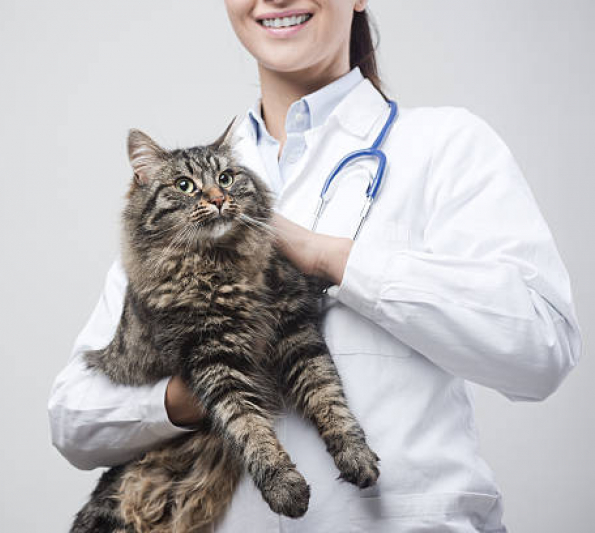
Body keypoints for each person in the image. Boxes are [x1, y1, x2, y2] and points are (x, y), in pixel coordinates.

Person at [48, 1, 582, 531]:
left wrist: (325, 256)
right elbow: (73, 417)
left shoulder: (446, 145)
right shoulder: (180, 207)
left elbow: (542, 347)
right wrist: (194, 395)